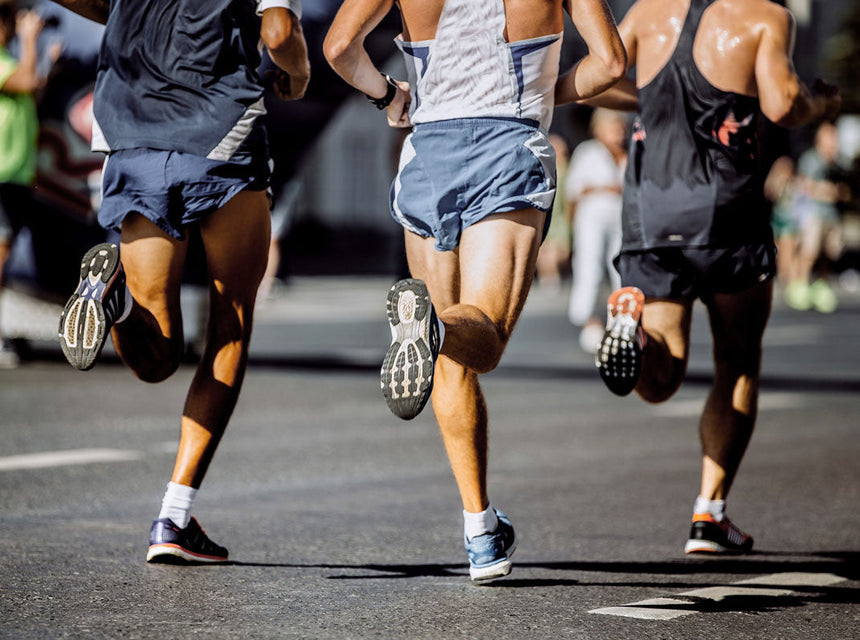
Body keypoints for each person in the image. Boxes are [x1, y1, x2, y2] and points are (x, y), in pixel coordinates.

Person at [324, 0, 626, 581]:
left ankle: (481, 529)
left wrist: (390, 97)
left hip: (427, 151)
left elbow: (338, 49)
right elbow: (609, 64)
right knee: (481, 337)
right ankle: (433, 327)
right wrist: (549, 92)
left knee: (450, 364)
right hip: (509, 142)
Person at [565, 0, 841, 555]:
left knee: (662, 379)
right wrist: (821, 102)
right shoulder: (765, 16)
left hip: (648, 214)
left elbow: (597, 81)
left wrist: (650, 96)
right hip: (725, 217)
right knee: (737, 363)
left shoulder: (648, 13)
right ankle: (709, 512)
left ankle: (636, 337)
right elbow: (783, 102)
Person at [52, 0, 310, 563]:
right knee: (230, 322)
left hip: (131, 133)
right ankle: (173, 515)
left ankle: (114, 304)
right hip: (220, 134)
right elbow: (280, 28)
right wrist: (297, 68)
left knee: (158, 349)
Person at [0, 2, 49, 368]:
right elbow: (27, 81)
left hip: (14, 174)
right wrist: (29, 39)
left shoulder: (8, 59)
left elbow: (31, 91)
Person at [564, 107, 627, 353]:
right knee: (589, 266)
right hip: (592, 218)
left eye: (620, 128)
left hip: (621, 219)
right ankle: (589, 320)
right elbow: (574, 190)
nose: (618, 133)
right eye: (613, 127)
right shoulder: (588, 152)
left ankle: (622, 319)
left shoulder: (628, 154)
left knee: (620, 267)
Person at [787, 121, 850, 312]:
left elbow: (846, 191)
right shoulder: (811, 159)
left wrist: (837, 192)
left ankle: (822, 287)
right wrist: (824, 190)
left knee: (828, 253)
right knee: (809, 251)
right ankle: (799, 285)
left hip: (831, 215)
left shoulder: (840, 162)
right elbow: (803, 184)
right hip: (813, 213)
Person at [535, 133, 572, 291]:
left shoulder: (567, 169)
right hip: (548, 209)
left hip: (560, 214)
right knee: (545, 247)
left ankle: (550, 275)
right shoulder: (543, 168)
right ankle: (549, 276)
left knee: (561, 250)